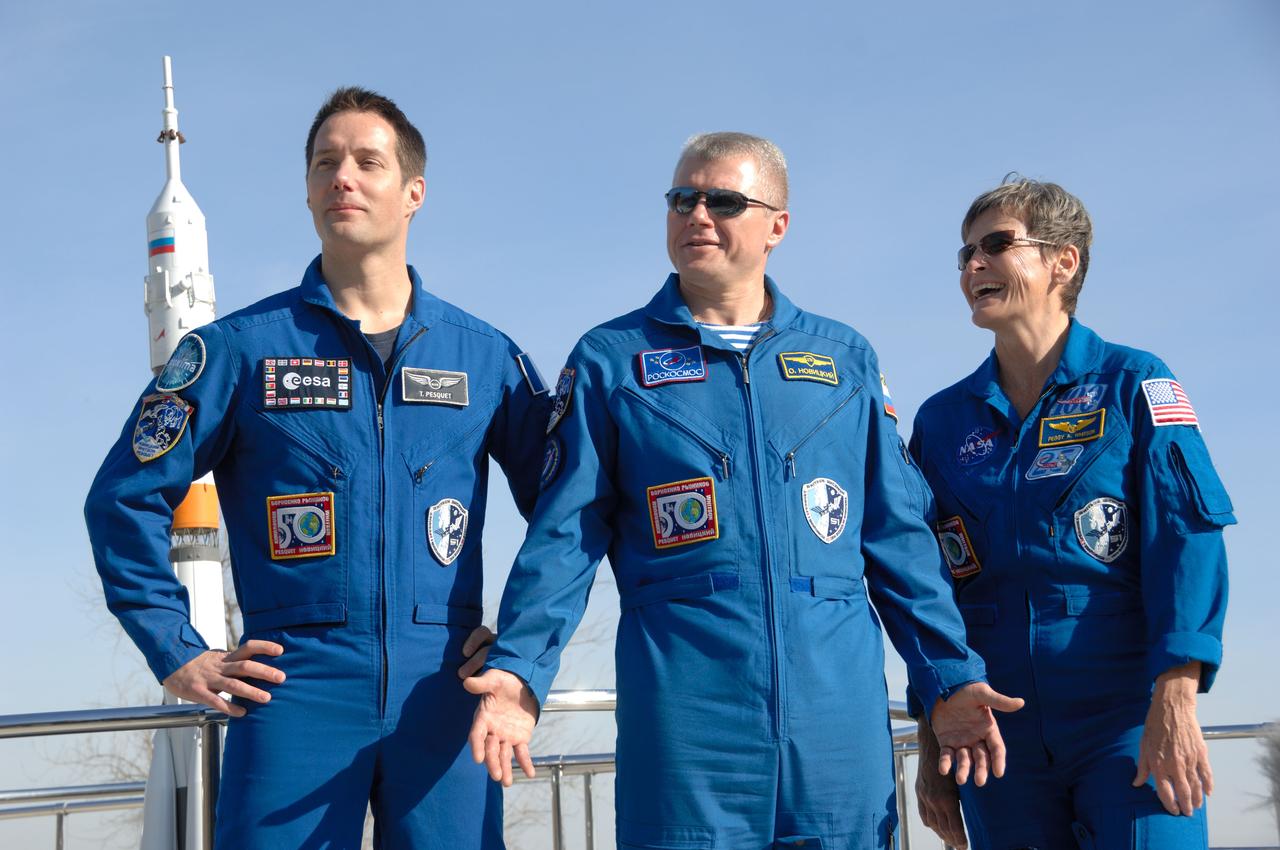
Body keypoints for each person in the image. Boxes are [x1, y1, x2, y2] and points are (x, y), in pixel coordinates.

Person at [465, 132, 1023, 848]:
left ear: (776, 227)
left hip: (837, 724)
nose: (697, 214)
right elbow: (564, 539)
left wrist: (947, 676)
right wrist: (519, 671)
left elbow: (900, 543)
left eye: (723, 200)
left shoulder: (843, 360)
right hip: (689, 728)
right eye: (681, 199)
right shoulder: (612, 361)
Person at [84, 87, 548, 848]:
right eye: (326, 163)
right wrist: (177, 649)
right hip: (293, 690)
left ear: (413, 193)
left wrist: (523, 649)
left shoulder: (485, 358)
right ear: (306, 191)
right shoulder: (238, 350)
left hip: (446, 690)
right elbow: (122, 498)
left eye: (369, 162)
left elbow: (568, 511)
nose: (344, 178)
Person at [910, 176, 1234, 849]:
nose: (972, 266)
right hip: (998, 740)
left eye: (996, 245)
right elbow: (929, 588)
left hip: (1125, 720)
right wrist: (934, 725)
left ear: (1065, 260)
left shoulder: (1135, 382)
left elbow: (1188, 538)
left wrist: (1176, 697)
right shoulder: (940, 423)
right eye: (964, 254)